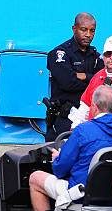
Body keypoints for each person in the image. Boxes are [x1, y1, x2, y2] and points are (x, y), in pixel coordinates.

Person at [30, 85, 112, 211]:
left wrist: (56, 158)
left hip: (82, 193)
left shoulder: (83, 130)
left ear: (94, 107)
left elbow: (60, 170)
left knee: (35, 178)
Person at [45, 12, 104, 141]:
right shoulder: (59, 53)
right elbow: (67, 83)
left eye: (92, 31)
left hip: (89, 118)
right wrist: (93, 81)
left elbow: (103, 82)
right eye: (84, 30)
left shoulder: (96, 56)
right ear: (74, 29)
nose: (88, 34)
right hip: (64, 119)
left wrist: (85, 76)